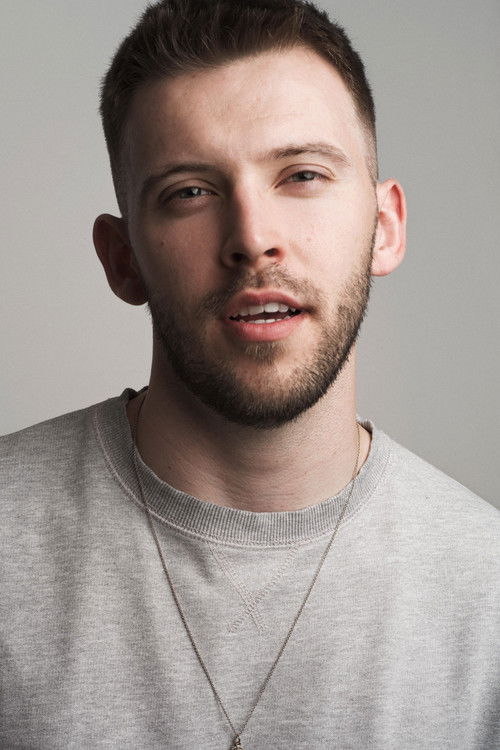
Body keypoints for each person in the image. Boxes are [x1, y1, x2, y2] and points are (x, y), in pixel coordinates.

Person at [1, 0, 498, 748]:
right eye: (190, 192)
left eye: (302, 175)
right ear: (122, 259)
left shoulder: (486, 592)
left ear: (384, 228)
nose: (254, 239)